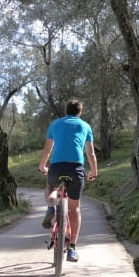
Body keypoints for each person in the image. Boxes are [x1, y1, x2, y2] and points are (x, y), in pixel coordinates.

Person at [38, 99, 98, 262]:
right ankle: (72, 248)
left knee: (51, 189)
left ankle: (51, 208)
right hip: (76, 168)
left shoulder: (55, 124)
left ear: (66, 111)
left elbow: (48, 149)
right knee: (75, 209)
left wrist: (42, 166)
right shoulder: (85, 126)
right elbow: (90, 153)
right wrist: (93, 171)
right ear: (80, 112)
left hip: (57, 166)